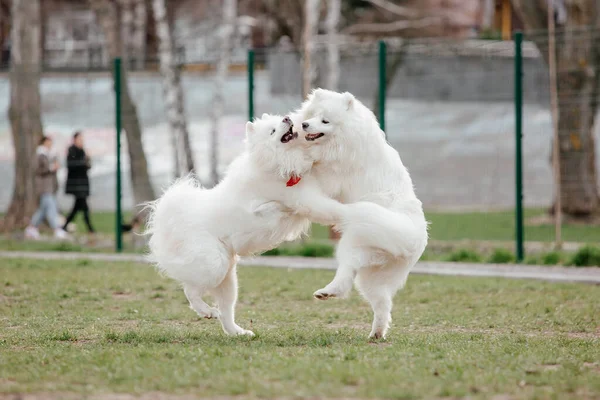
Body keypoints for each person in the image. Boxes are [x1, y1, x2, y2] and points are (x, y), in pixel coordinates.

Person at [25, 136, 69, 239]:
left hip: (51, 186)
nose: (50, 144)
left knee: (43, 209)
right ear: (43, 143)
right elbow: (37, 169)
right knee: (51, 207)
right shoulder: (40, 154)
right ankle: (57, 229)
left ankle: (32, 228)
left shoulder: (51, 154)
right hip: (43, 186)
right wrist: (51, 168)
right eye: (48, 142)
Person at [63, 131, 95, 234]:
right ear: (75, 139)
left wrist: (88, 158)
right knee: (83, 206)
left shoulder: (82, 151)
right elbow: (72, 165)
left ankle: (64, 226)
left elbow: (88, 166)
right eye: (80, 139)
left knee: (77, 207)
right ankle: (90, 228)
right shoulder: (71, 150)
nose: (82, 141)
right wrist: (84, 160)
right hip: (76, 183)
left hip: (83, 182)